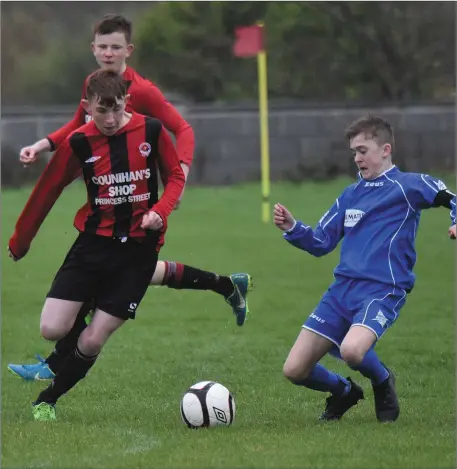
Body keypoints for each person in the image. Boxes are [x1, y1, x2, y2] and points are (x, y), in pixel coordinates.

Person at [9, 14, 252, 382]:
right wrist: (42, 145)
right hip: (108, 207)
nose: (108, 53)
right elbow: (77, 126)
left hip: (145, 199)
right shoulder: (95, 85)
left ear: (128, 50)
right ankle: (226, 284)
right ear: (93, 49)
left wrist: (181, 172)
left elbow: (181, 128)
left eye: (115, 47)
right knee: (132, 272)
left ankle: (54, 365)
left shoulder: (141, 92)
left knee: (110, 278)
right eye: (102, 46)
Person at [8, 70, 186, 421]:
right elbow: (48, 189)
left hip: (138, 251)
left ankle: (47, 400)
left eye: (117, 110)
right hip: (93, 246)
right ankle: (92, 299)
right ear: (87, 107)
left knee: (91, 340)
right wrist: (20, 241)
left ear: (126, 103)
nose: (109, 119)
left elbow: (176, 176)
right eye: (101, 111)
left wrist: (160, 211)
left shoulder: (151, 130)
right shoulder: (79, 141)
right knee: (52, 329)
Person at [273, 115, 456, 423]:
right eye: (354, 152)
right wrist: (293, 227)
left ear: (385, 149)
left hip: (383, 289)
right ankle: (344, 392)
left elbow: (451, 199)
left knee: (353, 351)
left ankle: (382, 379)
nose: (357, 158)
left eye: (363, 150)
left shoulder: (409, 185)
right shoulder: (350, 195)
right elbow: (320, 241)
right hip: (341, 291)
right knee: (294, 370)